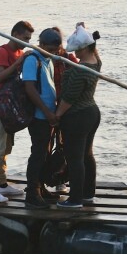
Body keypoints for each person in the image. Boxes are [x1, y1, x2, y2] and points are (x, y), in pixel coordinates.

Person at [0, 20, 33, 203]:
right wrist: (18, 62)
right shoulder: (2, 52)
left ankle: (1, 184)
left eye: (30, 38)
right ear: (15, 34)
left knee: (6, 147)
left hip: (11, 107)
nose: (28, 41)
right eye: (25, 38)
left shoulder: (18, 52)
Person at [55, 23, 102, 209]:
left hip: (77, 116)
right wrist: (83, 29)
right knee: (87, 155)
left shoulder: (78, 70)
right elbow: (94, 50)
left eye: (79, 50)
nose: (76, 54)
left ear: (85, 47)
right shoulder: (96, 63)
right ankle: (88, 194)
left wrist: (57, 116)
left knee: (75, 158)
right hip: (92, 112)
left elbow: (68, 99)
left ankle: (75, 199)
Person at [23, 28, 60, 209]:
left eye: (55, 50)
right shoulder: (33, 59)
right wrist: (46, 112)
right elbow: (30, 88)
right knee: (38, 154)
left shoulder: (48, 60)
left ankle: (40, 186)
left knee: (45, 153)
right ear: (42, 45)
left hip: (49, 116)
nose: (52, 53)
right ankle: (32, 193)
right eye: (50, 49)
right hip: (38, 116)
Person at [49, 25, 79, 194]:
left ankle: (62, 180)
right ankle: (44, 178)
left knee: (65, 145)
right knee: (44, 146)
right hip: (46, 108)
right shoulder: (41, 57)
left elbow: (82, 76)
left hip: (65, 108)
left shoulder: (68, 58)